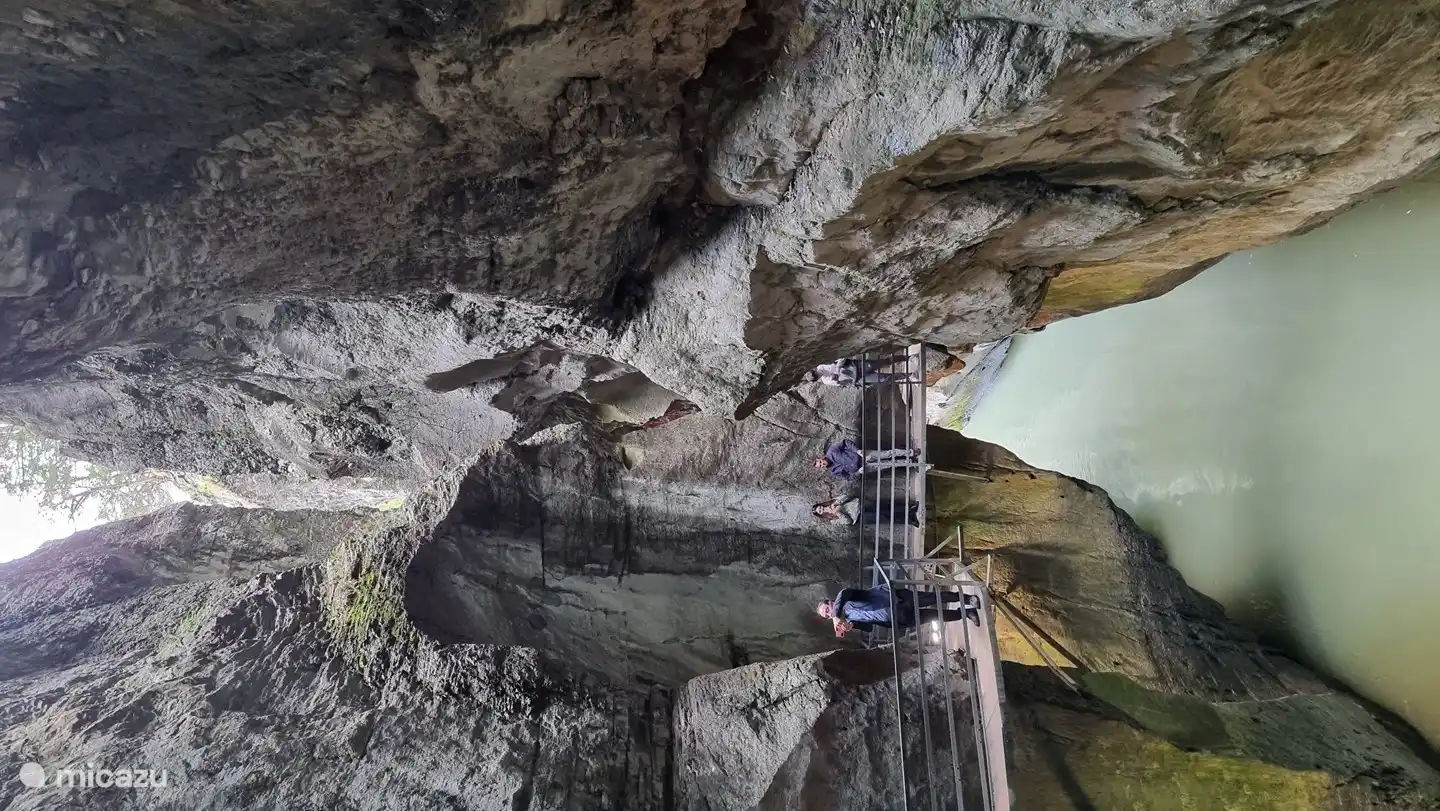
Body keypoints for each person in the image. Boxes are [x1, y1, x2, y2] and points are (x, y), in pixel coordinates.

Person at [816, 584, 980, 637]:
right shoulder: (849, 619)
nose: (830, 613)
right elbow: (869, 627)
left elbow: (845, 592)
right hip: (898, 618)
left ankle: (966, 598)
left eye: (827, 609)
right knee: (935, 616)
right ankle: (965, 613)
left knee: (933, 598)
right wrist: (853, 626)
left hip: (897, 599)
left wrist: (837, 615)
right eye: (827, 615)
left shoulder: (846, 600)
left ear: (831, 602)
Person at [814, 438, 928, 480]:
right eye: (820, 466)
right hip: (863, 467)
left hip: (863, 455)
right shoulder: (834, 471)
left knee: (886, 454)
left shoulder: (832, 451)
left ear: (820, 458)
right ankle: (909, 462)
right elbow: (849, 477)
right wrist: (858, 472)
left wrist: (857, 450)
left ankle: (911, 452)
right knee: (888, 464)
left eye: (820, 462)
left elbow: (846, 443)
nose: (822, 464)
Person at [813, 496, 920, 527]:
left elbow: (847, 495)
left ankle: (909, 509)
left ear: (822, 504)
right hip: (860, 517)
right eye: (820, 511)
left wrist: (837, 502)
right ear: (821, 515)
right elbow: (848, 522)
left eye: (821, 507)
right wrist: (838, 513)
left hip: (860, 504)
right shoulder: (833, 521)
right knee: (884, 518)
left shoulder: (833, 501)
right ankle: (909, 520)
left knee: (886, 507)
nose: (822, 509)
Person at [808, 357, 913, 387]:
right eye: (816, 377)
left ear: (814, 370)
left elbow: (841, 358)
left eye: (815, 374)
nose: (817, 375)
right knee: (884, 378)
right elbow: (839, 384)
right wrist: (837, 381)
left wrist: (837, 369)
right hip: (858, 379)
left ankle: (907, 358)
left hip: (857, 366)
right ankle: (909, 375)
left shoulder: (822, 363)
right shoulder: (825, 381)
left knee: (883, 362)